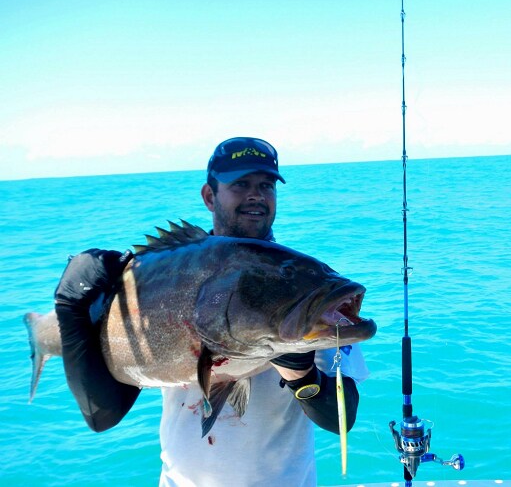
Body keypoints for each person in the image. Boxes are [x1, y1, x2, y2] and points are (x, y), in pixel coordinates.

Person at [53, 137, 369, 486]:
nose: (256, 195)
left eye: (266, 186)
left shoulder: (305, 287)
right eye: (240, 185)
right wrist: (71, 309)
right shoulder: (170, 272)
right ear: (209, 196)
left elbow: (342, 419)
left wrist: (303, 374)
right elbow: (102, 414)